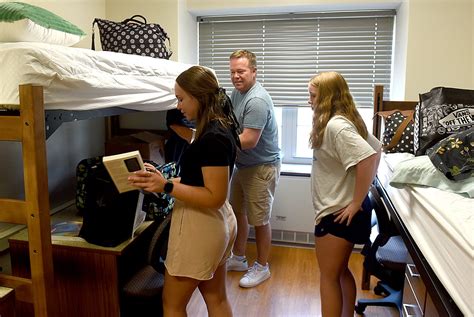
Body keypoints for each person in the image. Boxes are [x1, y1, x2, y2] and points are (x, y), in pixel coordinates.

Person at [128, 66, 240, 317]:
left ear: (198, 96)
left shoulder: (213, 137)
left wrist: (166, 187)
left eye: (181, 99)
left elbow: (214, 196)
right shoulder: (220, 127)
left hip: (200, 225)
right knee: (216, 298)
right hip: (217, 222)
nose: (178, 106)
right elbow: (200, 180)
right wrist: (163, 179)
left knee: (172, 304)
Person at [308, 71, 382, 317]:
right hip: (345, 210)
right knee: (339, 272)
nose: (309, 100)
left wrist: (355, 202)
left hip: (338, 213)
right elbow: (377, 147)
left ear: (328, 98)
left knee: (328, 277)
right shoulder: (346, 120)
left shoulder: (336, 126)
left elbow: (369, 157)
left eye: (313, 96)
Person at [226, 49, 281, 288]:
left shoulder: (256, 100)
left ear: (254, 72)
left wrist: (217, 143)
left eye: (241, 71)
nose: (236, 76)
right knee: (239, 211)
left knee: (260, 219)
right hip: (243, 164)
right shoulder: (236, 94)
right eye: (232, 72)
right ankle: (238, 258)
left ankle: (262, 266)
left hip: (261, 166)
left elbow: (248, 140)